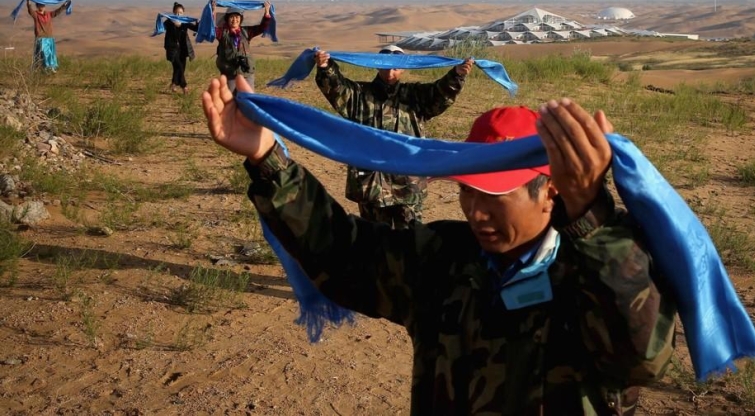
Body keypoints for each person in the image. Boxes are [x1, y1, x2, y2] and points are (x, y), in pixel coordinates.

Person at [202, 75, 677, 415]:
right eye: (467, 190)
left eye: (494, 196)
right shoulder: (442, 258)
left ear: (550, 189)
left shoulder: (596, 269)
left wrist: (592, 216)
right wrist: (268, 160)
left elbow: (641, 358)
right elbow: (341, 252)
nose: (475, 210)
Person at [314, 46, 474, 228]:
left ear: (404, 69)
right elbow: (336, 88)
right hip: (371, 184)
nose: (390, 72)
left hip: (407, 184)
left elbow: (440, 93)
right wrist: (326, 67)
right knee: (374, 240)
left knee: (409, 240)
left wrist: (457, 74)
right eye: (386, 66)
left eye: (396, 67)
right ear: (377, 66)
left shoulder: (415, 96)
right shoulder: (359, 95)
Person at [212, 0, 272, 92]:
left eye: (237, 17)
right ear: (227, 19)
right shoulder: (221, 33)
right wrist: (213, 11)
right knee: (231, 100)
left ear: (241, 19)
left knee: (249, 98)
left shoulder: (246, 32)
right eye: (232, 17)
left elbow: (262, 28)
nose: (234, 20)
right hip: (230, 73)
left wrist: (267, 12)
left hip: (246, 72)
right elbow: (211, 29)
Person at [26, 0, 71, 72]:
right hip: (40, 38)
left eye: (43, 5)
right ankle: (44, 68)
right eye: (40, 5)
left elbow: (58, 11)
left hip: (49, 37)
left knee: (50, 53)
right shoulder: (36, 15)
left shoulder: (49, 14)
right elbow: (30, 11)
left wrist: (65, 4)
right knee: (43, 53)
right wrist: (28, 3)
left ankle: (51, 67)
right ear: (37, 6)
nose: (42, 7)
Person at [163, 2, 198, 94]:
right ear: (173, 13)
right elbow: (162, 26)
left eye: (181, 13)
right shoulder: (169, 22)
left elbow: (195, 28)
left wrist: (198, 22)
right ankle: (184, 86)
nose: (178, 14)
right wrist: (172, 22)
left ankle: (173, 83)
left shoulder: (185, 22)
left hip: (183, 49)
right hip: (172, 49)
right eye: (176, 13)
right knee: (179, 66)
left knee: (179, 68)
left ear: (183, 13)